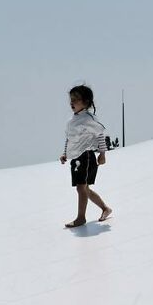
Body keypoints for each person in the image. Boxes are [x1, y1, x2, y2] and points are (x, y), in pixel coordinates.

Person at [59, 85, 112, 228]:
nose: (72, 102)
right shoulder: (72, 121)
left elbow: (100, 134)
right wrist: (65, 153)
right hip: (76, 157)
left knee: (81, 188)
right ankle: (105, 208)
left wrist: (102, 154)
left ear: (86, 102)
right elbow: (69, 139)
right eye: (71, 99)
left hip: (87, 156)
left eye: (76, 100)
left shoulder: (89, 118)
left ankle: (81, 218)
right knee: (84, 189)